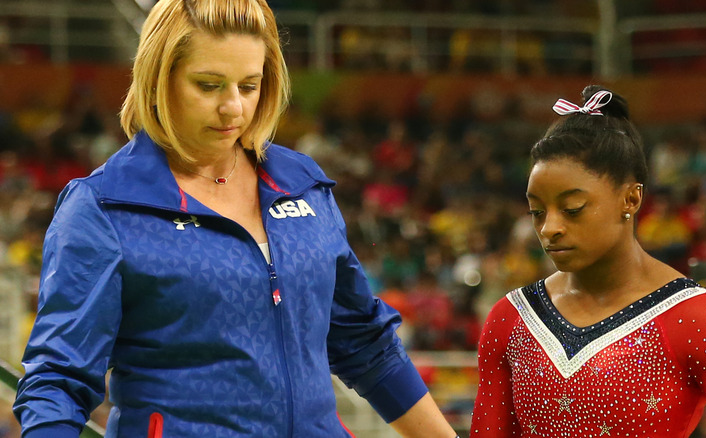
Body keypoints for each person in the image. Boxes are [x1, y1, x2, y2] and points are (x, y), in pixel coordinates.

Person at [12, 1, 458, 437]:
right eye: (208, 85)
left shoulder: (302, 184)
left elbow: (366, 345)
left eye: (249, 85)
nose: (233, 108)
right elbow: (58, 381)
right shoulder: (103, 207)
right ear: (157, 81)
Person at [470, 85, 706, 437]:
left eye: (572, 209)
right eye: (536, 211)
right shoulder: (510, 319)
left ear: (631, 198)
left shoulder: (701, 318)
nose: (549, 228)